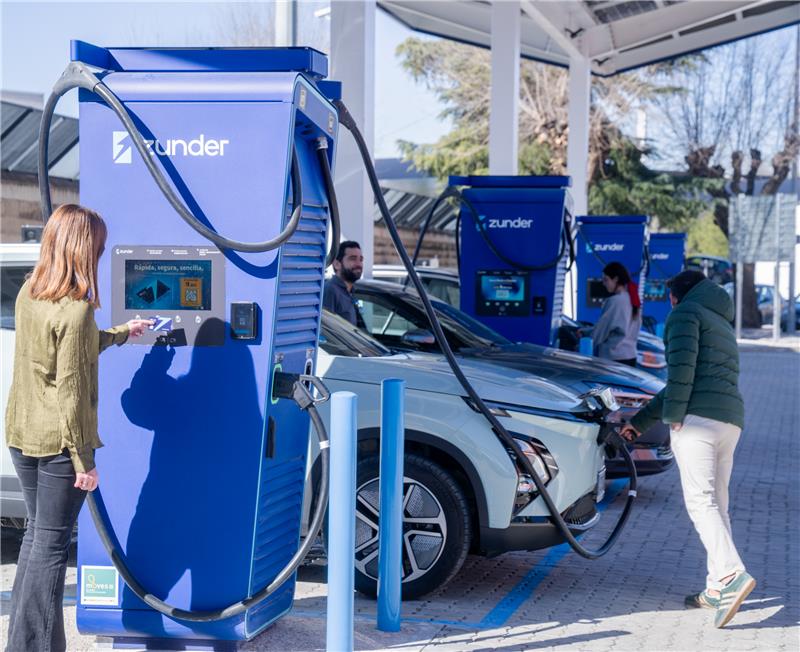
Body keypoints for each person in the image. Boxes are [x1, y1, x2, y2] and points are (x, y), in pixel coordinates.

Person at [4, 204, 152, 652]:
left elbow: (71, 351)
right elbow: (70, 390)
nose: (102, 253)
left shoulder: (31, 292)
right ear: (84, 249)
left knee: (35, 541)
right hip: (58, 446)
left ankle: (28, 645)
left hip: (23, 434)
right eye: (100, 246)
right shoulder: (76, 309)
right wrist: (83, 460)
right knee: (50, 552)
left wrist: (124, 332)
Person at [621, 270, 754, 629]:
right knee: (717, 503)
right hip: (730, 421)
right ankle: (715, 588)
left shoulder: (684, 315)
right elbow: (690, 380)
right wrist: (641, 421)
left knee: (700, 502)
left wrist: (675, 418)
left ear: (676, 296)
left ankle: (731, 575)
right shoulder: (719, 320)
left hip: (698, 421)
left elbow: (681, 375)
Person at [590, 261, 642, 365]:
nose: (604, 284)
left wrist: (583, 343)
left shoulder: (615, 301)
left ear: (616, 279)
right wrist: (585, 331)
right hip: (630, 356)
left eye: (606, 280)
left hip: (613, 359)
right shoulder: (633, 298)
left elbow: (601, 331)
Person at [323, 240, 365, 328]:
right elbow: (327, 330)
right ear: (337, 264)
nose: (359, 264)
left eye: (361, 259)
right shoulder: (330, 290)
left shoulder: (350, 291)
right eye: (353, 259)